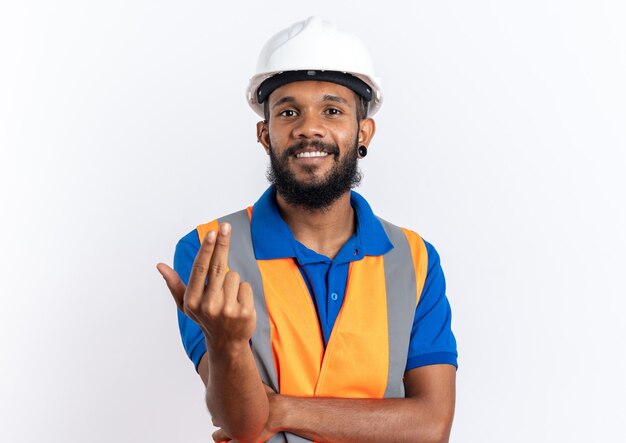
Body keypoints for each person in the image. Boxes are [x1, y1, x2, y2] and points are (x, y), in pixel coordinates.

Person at [157, 16, 458, 443]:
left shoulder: (414, 258)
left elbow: (430, 426)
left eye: (332, 110)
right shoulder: (209, 250)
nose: (308, 127)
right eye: (288, 111)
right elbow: (242, 423)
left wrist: (278, 409)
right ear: (265, 134)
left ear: (363, 132)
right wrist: (225, 346)